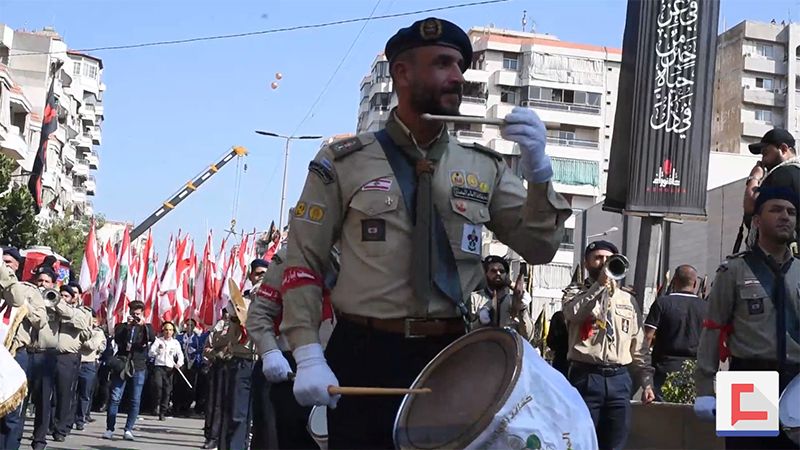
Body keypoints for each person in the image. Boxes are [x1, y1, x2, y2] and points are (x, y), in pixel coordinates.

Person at [280, 17, 570, 449]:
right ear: (401, 74)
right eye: (441, 64)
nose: (457, 77)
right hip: (364, 353)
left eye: (459, 66)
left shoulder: (482, 167)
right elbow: (303, 262)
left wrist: (540, 172)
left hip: (450, 356)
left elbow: (540, 247)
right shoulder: (345, 162)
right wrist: (306, 352)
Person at [695, 187, 800, 449]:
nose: (785, 216)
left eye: (791, 212)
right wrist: (705, 390)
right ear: (756, 220)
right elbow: (712, 329)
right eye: (775, 210)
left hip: (797, 381)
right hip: (748, 381)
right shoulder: (734, 270)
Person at [562, 240, 655, 450]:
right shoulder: (574, 293)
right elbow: (573, 314)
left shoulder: (628, 300)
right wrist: (598, 286)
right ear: (587, 263)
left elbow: (638, 346)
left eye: (608, 259)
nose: (603, 263)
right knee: (582, 442)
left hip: (619, 379)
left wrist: (646, 381)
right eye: (597, 258)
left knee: (616, 442)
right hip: (586, 377)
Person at [248, 247, 335, 449]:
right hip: (295, 369)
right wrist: (270, 352)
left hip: (345, 365)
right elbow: (259, 313)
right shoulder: (290, 258)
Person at [28, 274, 92, 449]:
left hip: (67, 357)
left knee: (64, 394)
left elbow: (83, 326)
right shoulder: (38, 302)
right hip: (42, 354)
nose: (42, 285)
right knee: (42, 397)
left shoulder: (77, 311)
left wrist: (58, 302)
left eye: (66, 296)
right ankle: (43, 429)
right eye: (40, 281)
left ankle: (60, 429)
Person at [0, 251, 46, 450]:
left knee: (10, 415)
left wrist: (26, 308)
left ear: (17, 265)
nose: (4, 264)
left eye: (7, 262)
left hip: (14, 354)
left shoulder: (28, 291)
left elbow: (41, 321)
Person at [644, 264, 706, 401]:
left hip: (664, 368)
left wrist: (643, 369)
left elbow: (647, 338)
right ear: (695, 284)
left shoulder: (662, 303)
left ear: (674, 281)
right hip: (694, 369)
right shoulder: (706, 307)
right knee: (690, 415)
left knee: (664, 415)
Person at [103, 300, 155, 441]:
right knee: (115, 397)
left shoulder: (146, 327)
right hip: (122, 364)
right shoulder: (121, 326)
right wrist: (128, 326)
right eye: (133, 313)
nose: (135, 316)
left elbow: (152, 338)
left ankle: (128, 429)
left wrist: (142, 325)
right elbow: (118, 340)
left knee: (135, 399)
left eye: (138, 314)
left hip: (138, 365)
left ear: (143, 314)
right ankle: (110, 428)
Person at [743, 128, 800, 251]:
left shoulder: (782, 174)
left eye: (765, 153)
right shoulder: (796, 173)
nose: (762, 160)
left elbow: (751, 205)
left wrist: (754, 177)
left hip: (776, 256)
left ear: (783, 149)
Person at [468, 255, 534, 339]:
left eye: (501, 271)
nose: (498, 274)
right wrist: (480, 322)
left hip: (508, 349)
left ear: (506, 275)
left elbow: (528, 336)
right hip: (482, 349)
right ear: (485, 274)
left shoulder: (514, 300)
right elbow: (466, 332)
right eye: (493, 271)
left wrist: (522, 311)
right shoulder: (474, 299)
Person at [74, 311, 106, 430]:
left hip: (88, 364)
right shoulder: (76, 330)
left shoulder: (97, 332)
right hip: (75, 362)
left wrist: (77, 340)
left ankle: (80, 419)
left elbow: (92, 346)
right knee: (71, 393)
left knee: (85, 394)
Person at [149, 321, 184, 421]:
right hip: (159, 367)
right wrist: (157, 351)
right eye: (166, 330)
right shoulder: (158, 341)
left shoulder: (175, 343)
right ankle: (156, 405)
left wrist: (179, 364)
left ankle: (163, 411)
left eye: (170, 330)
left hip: (170, 368)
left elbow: (180, 355)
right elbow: (151, 353)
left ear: (173, 331)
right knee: (158, 386)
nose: (168, 332)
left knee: (167, 391)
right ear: (163, 331)